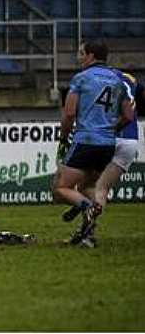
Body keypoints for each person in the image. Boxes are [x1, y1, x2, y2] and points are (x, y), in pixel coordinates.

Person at [53, 40, 134, 248]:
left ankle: (89, 207)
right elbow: (128, 115)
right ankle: (87, 235)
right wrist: (110, 130)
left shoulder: (81, 78)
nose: (78, 57)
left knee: (61, 188)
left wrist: (63, 137)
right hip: (107, 143)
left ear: (90, 56)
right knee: (88, 185)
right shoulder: (117, 80)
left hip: (86, 140)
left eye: (81, 53)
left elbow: (69, 113)